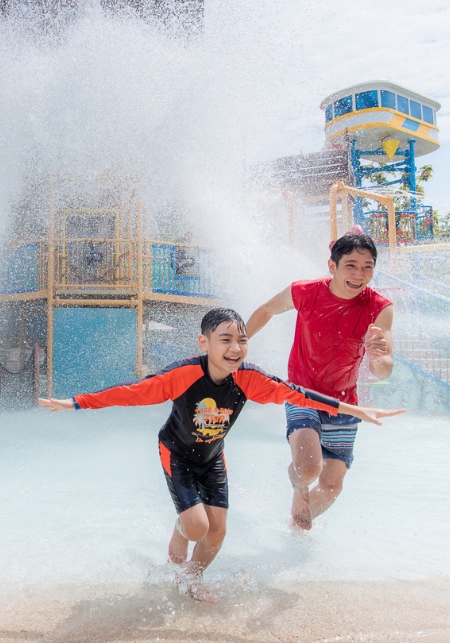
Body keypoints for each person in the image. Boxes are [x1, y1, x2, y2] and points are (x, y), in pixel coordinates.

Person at [39, 307, 402, 602]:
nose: (235, 348)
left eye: (242, 341)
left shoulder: (249, 379)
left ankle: (193, 578)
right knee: (198, 527)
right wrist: (76, 403)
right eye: (225, 340)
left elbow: (299, 394)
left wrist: (356, 410)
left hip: (212, 457)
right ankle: (181, 528)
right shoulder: (183, 375)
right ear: (205, 342)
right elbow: (132, 392)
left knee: (217, 532)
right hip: (177, 454)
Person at [246, 230, 394, 531]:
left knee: (331, 488)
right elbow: (266, 310)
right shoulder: (305, 292)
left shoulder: (380, 307)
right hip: (302, 394)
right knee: (308, 468)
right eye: (351, 265)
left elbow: (384, 370)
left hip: (344, 404)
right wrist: (238, 343)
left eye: (367, 267)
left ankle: (292, 530)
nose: (359, 274)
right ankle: (298, 487)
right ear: (332, 266)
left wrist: (378, 356)